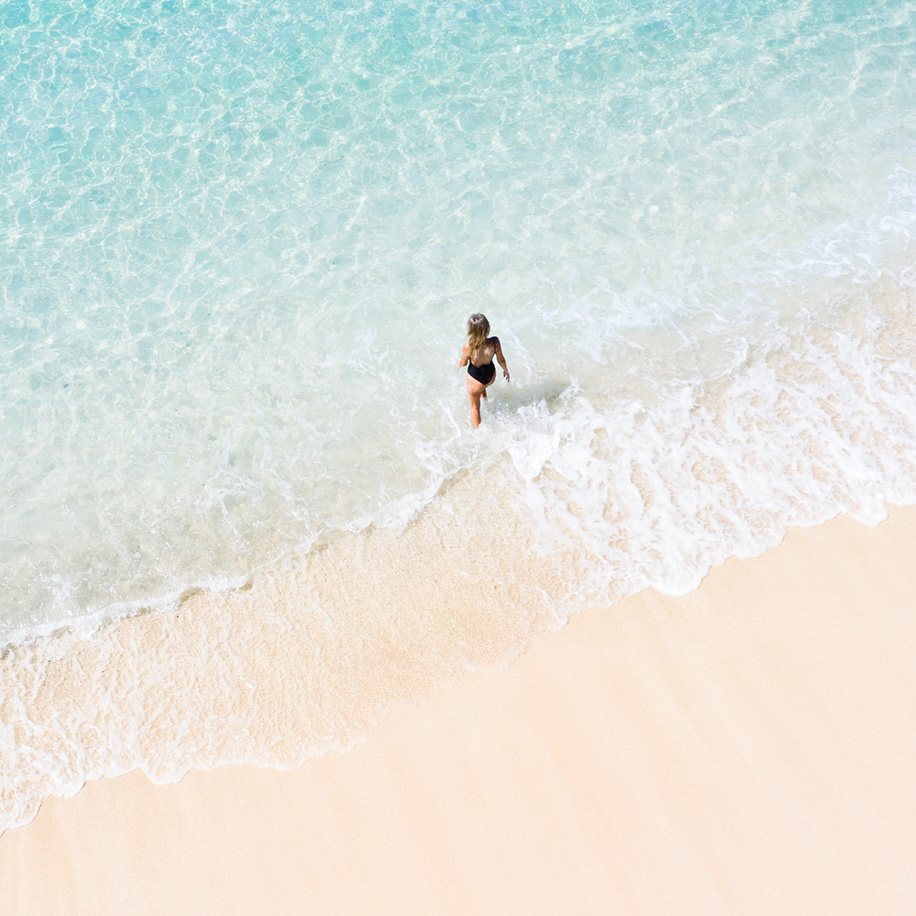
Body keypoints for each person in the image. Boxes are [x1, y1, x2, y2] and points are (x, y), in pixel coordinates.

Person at [457, 313, 510, 429]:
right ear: (487, 328)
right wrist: (506, 371)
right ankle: (485, 399)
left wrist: (459, 364)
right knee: (482, 387)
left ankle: (479, 433)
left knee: (474, 408)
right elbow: (501, 359)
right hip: (490, 376)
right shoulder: (495, 341)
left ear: (470, 330)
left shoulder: (468, 346)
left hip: (476, 381)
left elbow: (464, 363)